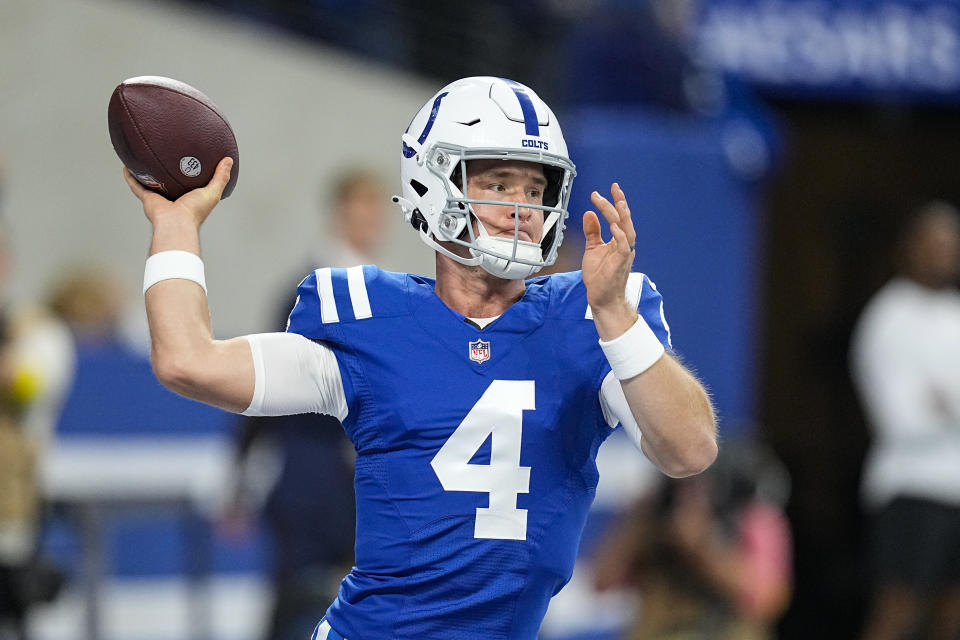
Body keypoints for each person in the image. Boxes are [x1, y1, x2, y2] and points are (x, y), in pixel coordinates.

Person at [122, 76, 717, 640]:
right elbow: (187, 360)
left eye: (536, 189)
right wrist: (174, 225)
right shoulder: (370, 320)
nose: (522, 207)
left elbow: (689, 449)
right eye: (499, 184)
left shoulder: (591, 319)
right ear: (435, 186)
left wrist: (617, 317)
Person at [224, 170, 388, 640]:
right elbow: (265, 384)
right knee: (295, 603)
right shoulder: (310, 294)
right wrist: (239, 478)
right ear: (340, 213)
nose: (368, 222)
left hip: (358, 481)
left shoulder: (385, 294)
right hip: (308, 479)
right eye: (359, 210)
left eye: (374, 212)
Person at [851, 201, 960, 640]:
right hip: (910, 489)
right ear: (909, 248)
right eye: (933, 244)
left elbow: (937, 405)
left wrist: (945, 401)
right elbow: (901, 419)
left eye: (951, 246)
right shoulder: (887, 317)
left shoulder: (955, 313)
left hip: (956, 489)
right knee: (898, 613)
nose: (943, 254)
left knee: (951, 617)